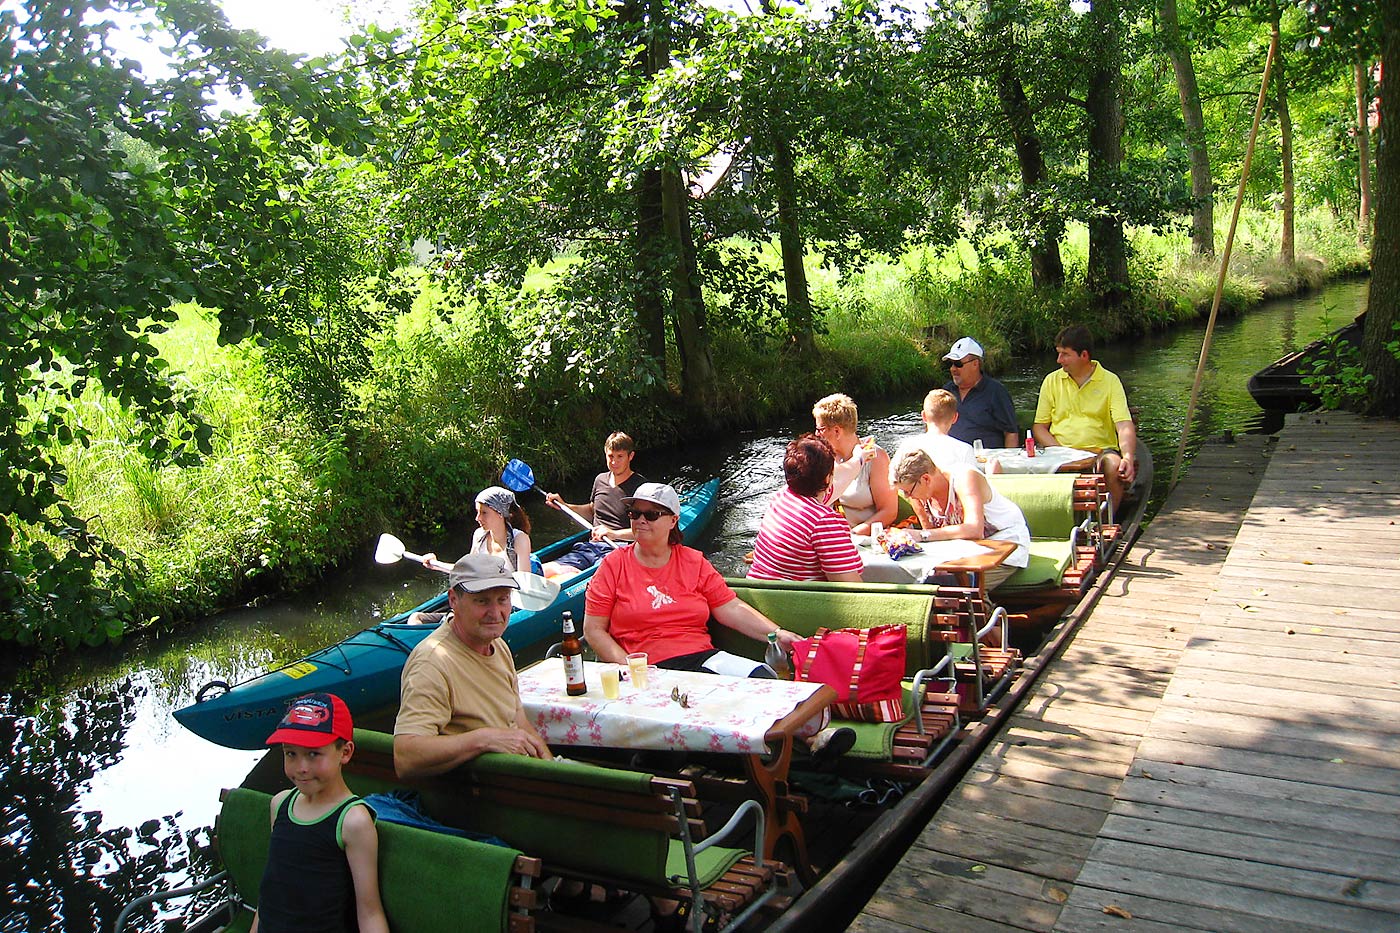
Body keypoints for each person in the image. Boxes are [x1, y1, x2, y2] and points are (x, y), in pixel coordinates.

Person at [581, 483, 855, 757]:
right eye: (634, 513)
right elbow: (594, 630)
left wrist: (776, 633)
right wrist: (629, 668)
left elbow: (730, 607)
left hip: (701, 656)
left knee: (761, 677)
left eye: (651, 514)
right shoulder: (613, 566)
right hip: (650, 669)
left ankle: (810, 739)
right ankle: (806, 746)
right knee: (709, 710)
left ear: (673, 521)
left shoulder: (693, 562)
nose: (640, 520)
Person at [394, 554, 551, 779]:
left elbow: (519, 721)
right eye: (482, 601)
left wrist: (551, 768)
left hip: (519, 781)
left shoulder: (497, 644)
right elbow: (405, 757)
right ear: (453, 600)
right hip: (478, 799)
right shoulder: (432, 664)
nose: (496, 613)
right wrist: (484, 740)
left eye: (503, 599)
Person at [252, 693, 389, 933]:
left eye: (313, 754)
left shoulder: (352, 821)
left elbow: (369, 911)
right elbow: (271, 890)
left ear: (345, 752)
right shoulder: (280, 804)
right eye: (290, 753)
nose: (301, 768)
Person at [888, 447, 1030, 593]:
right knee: (921, 580)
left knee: (952, 586)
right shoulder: (918, 497)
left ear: (925, 479)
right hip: (965, 551)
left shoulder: (964, 477)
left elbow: (975, 530)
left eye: (907, 491)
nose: (906, 496)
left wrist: (922, 535)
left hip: (1005, 545)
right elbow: (932, 538)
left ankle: (983, 612)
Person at [1032, 325, 1139, 513]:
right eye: (1058, 354)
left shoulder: (1110, 381)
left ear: (1084, 355)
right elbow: (1040, 427)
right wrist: (1061, 452)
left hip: (1100, 450)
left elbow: (1123, 424)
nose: (1059, 360)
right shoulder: (1051, 380)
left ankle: (1107, 521)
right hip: (1059, 450)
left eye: (1065, 354)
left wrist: (1128, 456)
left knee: (1114, 465)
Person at [747, 435, 865, 583]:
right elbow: (851, 589)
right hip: (795, 603)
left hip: (759, 591)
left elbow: (837, 482)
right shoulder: (824, 521)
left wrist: (859, 459)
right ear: (827, 478)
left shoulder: (781, 497)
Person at [542, 432, 647, 577]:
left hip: (619, 549)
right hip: (591, 546)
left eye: (620, 456)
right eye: (610, 456)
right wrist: (564, 505)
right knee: (544, 570)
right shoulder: (600, 480)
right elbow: (592, 510)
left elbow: (646, 530)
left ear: (631, 456)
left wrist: (613, 534)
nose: (614, 462)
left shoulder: (640, 487)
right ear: (605, 454)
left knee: (585, 577)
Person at [812, 394, 897, 535]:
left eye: (820, 429)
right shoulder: (824, 458)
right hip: (834, 535)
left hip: (865, 539)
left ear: (837, 431)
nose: (816, 434)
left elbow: (889, 511)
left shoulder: (876, 458)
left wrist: (853, 535)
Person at [941, 337, 1020, 450]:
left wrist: (1008, 464)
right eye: (951, 364)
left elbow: (1011, 433)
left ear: (975, 364)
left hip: (985, 461)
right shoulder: (947, 391)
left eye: (958, 364)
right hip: (953, 460)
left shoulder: (996, 392)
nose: (953, 369)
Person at [892, 389, 978, 472]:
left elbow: (893, 479)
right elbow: (974, 484)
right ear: (955, 418)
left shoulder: (907, 445)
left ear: (924, 416)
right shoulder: (964, 450)